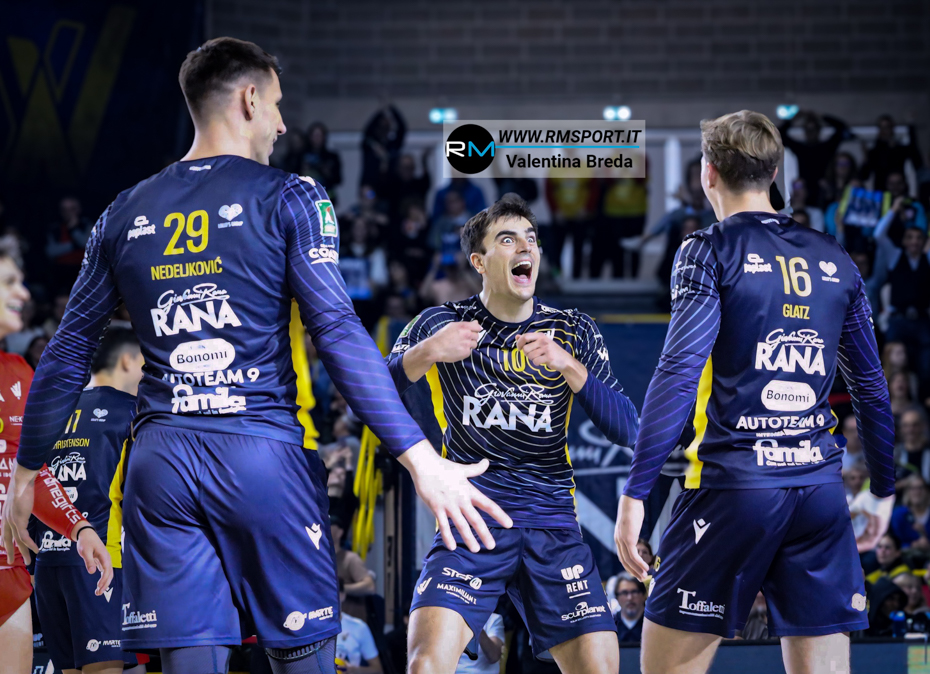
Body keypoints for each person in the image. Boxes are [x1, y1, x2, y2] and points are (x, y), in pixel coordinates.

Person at [2, 37, 510, 674]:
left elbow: (67, 351)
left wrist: (27, 473)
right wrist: (419, 458)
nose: (282, 123)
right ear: (247, 99)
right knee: (303, 658)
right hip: (260, 452)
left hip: (161, 464)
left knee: (191, 660)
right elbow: (337, 331)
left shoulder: (121, 212)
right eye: (275, 104)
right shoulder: (292, 195)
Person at [615, 110, 895, 674]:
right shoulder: (834, 256)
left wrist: (636, 492)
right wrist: (883, 488)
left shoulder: (707, 249)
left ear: (708, 173)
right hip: (818, 492)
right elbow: (869, 384)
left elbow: (678, 371)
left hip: (733, 488)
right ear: (773, 174)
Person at [387, 194, 639, 674]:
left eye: (531, 238)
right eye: (508, 239)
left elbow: (628, 428)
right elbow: (371, 392)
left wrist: (567, 365)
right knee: (425, 665)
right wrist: (427, 352)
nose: (525, 247)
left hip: (552, 524)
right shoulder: (442, 323)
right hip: (472, 519)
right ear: (479, 261)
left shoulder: (572, 329)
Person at [0, 247, 112, 674]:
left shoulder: (18, 372)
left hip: (9, 569)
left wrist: (78, 528)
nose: (24, 294)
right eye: (9, 282)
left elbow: (29, 474)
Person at [33, 327, 145, 674]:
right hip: (101, 561)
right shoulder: (134, 412)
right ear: (127, 360)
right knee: (106, 668)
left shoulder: (53, 410)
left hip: (47, 564)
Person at [330, 515, 375, 621]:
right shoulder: (319, 559)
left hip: (350, 623)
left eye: (330, 525)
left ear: (340, 532)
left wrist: (342, 588)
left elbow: (370, 586)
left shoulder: (350, 559)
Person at [335, 581, 382, 674]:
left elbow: (378, 670)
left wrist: (354, 670)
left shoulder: (359, 627)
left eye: (333, 593)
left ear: (342, 595)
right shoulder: (311, 628)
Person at [890, 477, 930, 549]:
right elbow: (894, 542)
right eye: (912, 488)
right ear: (907, 492)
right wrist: (912, 545)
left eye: (920, 488)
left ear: (927, 491)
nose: (917, 492)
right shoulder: (899, 514)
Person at [613, 574, 646, 643]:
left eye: (634, 592)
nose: (630, 598)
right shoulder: (611, 625)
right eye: (624, 593)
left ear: (644, 595)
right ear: (617, 598)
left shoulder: (654, 623)